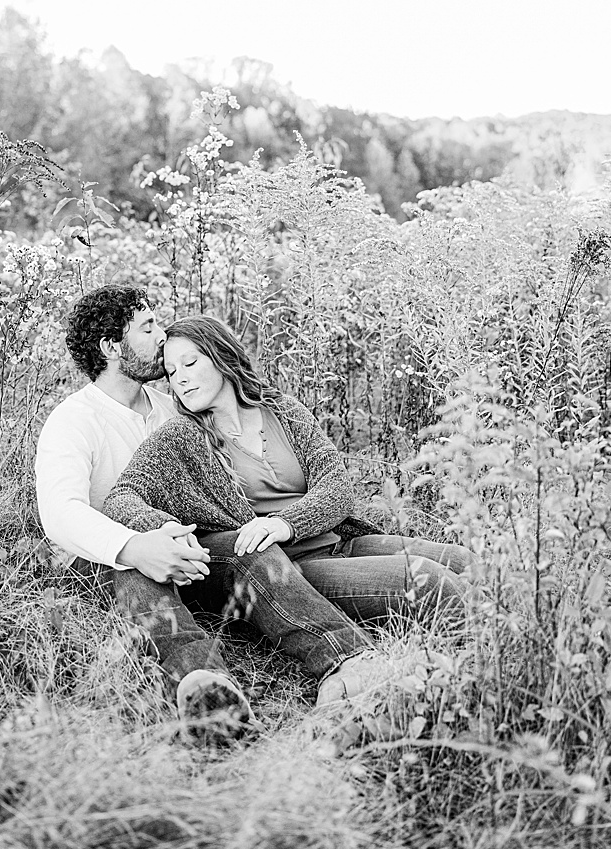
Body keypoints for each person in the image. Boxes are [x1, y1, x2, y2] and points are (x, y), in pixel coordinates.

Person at [35, 286, 398, 740]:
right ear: (111, 347)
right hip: (109, 563)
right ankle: (207, 691)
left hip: (191, 553)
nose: (162, 336)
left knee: (246, 549)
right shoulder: (74, 420)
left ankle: (346, 660)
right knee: (132, 569)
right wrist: (135, 545)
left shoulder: (174, 409)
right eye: (147, 328)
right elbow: (61, 512)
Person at [102, 315, 472, 653]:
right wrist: (163, 527)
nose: (180, 378)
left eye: (190, 363)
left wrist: (285, 523)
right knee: (429, 580)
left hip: (340, 540)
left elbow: (336, 484)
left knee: (463, 561)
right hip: (292, 570)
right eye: (170, 372)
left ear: (221, 356)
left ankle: (504, 640)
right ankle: (483, 659)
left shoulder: (281, 409)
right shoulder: (180, 437)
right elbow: (122, 496)